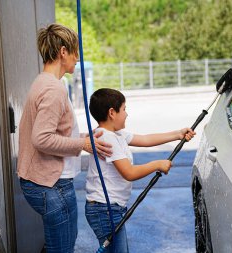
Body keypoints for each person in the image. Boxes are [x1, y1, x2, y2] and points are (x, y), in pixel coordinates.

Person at [17, 23, 112, 253]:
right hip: (51, 185)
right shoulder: (54, 89)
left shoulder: (45, 83)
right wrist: (82, 144)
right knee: (62, 247)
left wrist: (83, 137)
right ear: (62, 52)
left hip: (45, 183)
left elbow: (54, 134)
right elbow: (42, 139)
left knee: (61, 244)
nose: (77, 58)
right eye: (74, 51)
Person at [85, 88, 196, 253]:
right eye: (124, 109)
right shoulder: (108, 138)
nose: (127, 114)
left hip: (108, 209)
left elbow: (145, 139)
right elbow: (128, 173)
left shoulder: (116, 134)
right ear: (112, 113)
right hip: (104, 210)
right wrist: (157, 164)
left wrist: (177, 134)